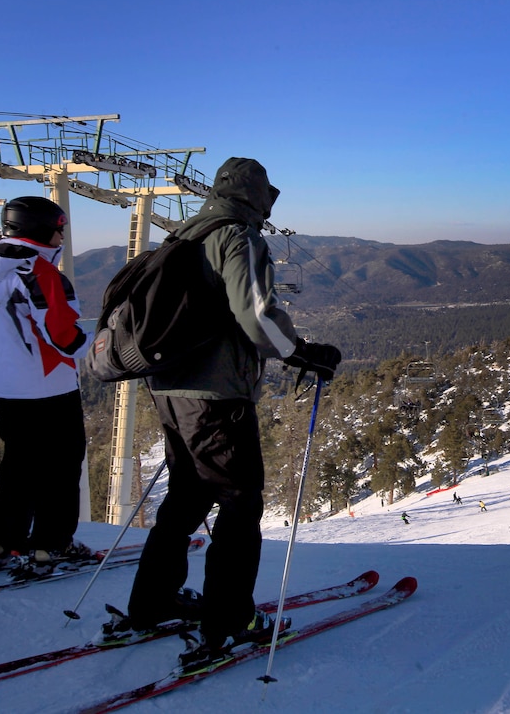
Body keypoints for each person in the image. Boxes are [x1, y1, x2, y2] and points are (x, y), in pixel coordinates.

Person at [116, 158, 342, 672]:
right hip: (215, 397)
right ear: (258, 197)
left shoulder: (183, 236)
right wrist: (302, 352)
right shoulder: (236, 237)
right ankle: (229, 621)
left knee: (187, 496)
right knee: (240, 504)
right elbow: (256, 315)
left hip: (168, 387)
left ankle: (151, 602)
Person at [0, 196, 90, 570]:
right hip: (49, 385)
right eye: (59, 227)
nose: (62, 235)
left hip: (6, 385)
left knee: (19, 464)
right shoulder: (40, 272)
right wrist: (98, 346)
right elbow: (62, 334)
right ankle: (51, 544)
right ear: (39, 227)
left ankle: (2, 541)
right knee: (62, 465)